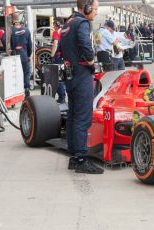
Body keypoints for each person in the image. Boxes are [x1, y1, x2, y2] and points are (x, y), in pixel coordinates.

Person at [60, 0, 104, 174]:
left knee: (72, 115)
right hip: (81, 74)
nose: (96, 12)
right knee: (83, 117)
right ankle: (81, 159)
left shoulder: (68, 22)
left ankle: (74, 156)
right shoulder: (82, 22)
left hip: (70, 74)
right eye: (95, 9)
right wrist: (93, 63)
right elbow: (85, 46)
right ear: (85, 8)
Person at [9, 13, 32, 97]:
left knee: (15, 73)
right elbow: (30, 44)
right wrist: (29, 55)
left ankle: (16, 93)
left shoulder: (10, 30)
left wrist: (11, 47)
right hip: (24, 53)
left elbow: (4, 40)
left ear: (11, 20)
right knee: (26, 72)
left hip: (14, 54)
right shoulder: (26, 29)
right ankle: (26, 88)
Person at [50, 18, 66, 104]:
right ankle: (64, 96)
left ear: (57, 23)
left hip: (58, 57)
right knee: (64, 76)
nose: (53, 25)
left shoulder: (56, 32)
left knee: (58, 77)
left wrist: (52, 56)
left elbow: (55, 44)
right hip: (66, 57)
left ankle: (61, 97)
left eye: (54, 23)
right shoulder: (65, 31)